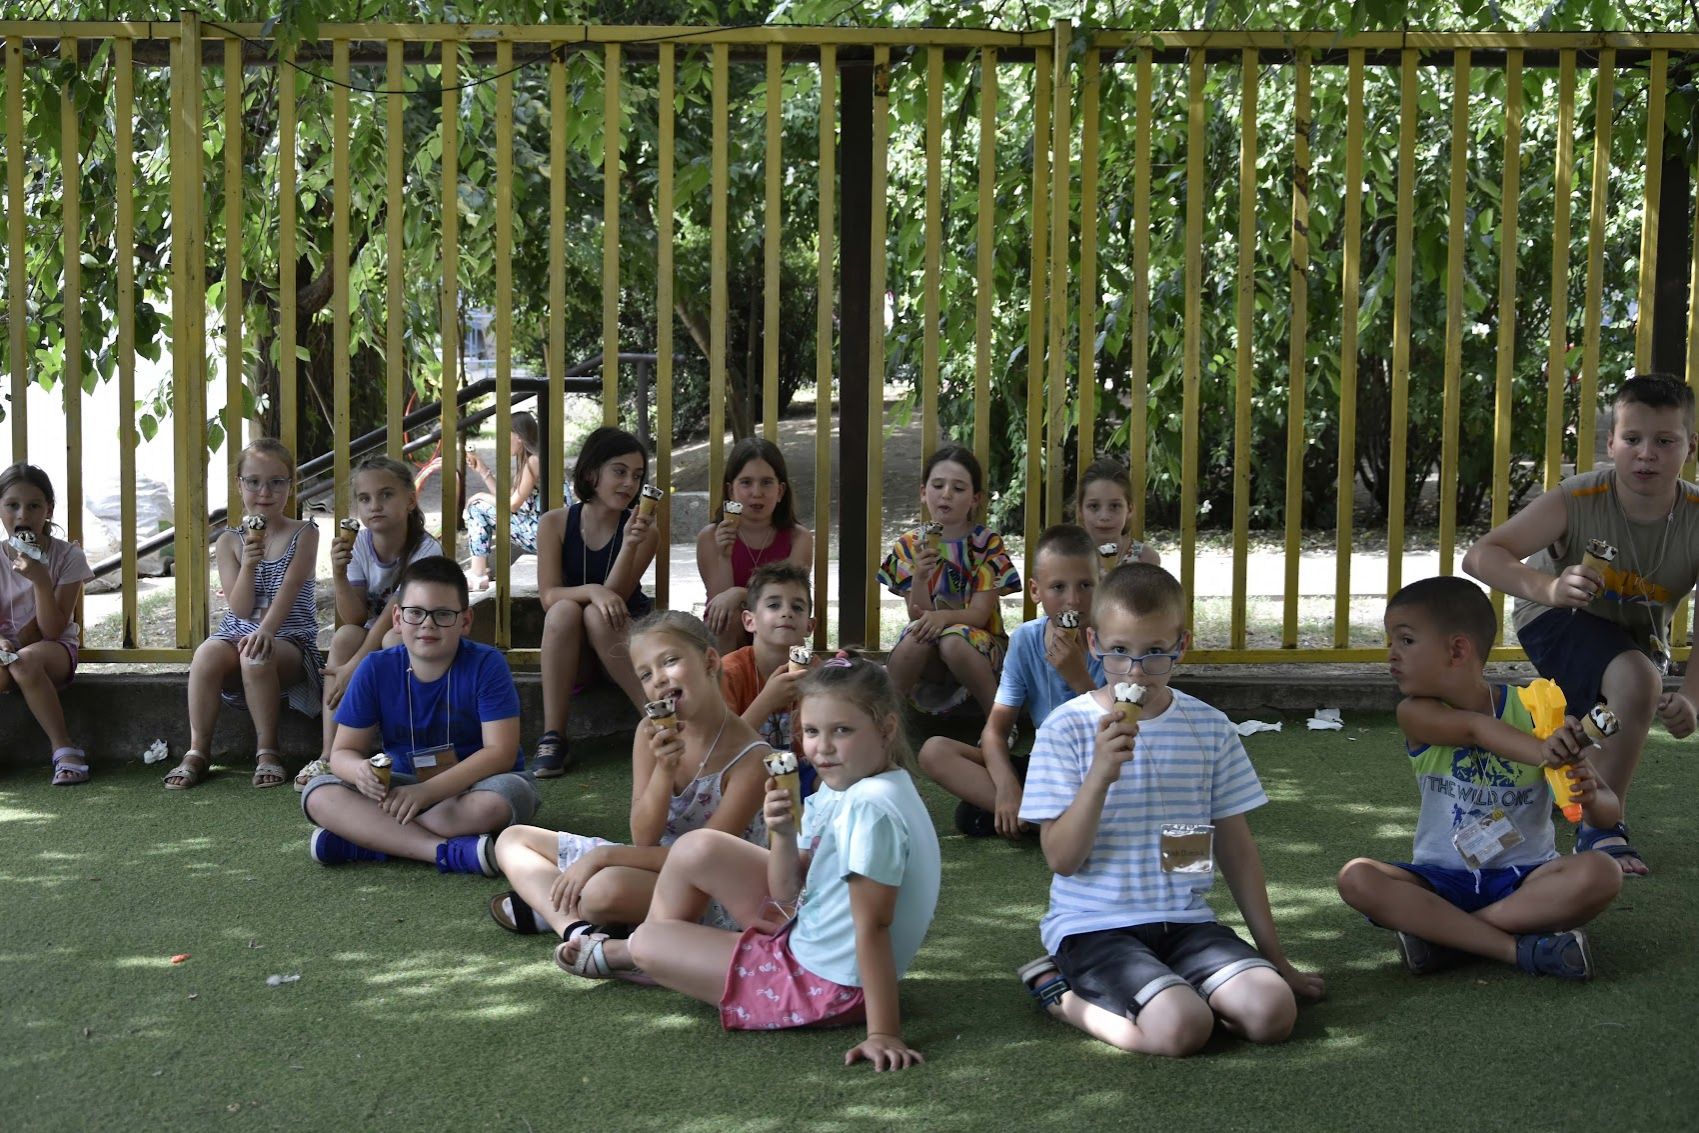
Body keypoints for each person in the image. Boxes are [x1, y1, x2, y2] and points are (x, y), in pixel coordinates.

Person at [561, 655, 941, 1072]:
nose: (823, 747)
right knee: (696, 847)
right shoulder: (848, 784)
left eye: (842, 730)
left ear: (886, 729)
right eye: (811, 731)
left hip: (826, 985)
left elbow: (874, 925)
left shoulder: (870, 807)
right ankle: (664, 959)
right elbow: (786, 892)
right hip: (805, 937)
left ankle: (637, 955)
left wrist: (883, 1032)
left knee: (650, 941)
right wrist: (782, 833)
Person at [1016, 562, 1323, 1057]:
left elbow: (1237, 850)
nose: (1136, 671)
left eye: (1155, 652)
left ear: (1181, 645)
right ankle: (1058, 993)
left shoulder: (1210, 727)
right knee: (1182, 1028)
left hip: (1186, 920)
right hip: (1093, 926)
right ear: (1093, 642)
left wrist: (1277, 959)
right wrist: (1100, 775)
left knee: (1273, 1013)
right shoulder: (1065, 728)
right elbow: (1061, 859)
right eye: (1119, 652)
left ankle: (1184, 990)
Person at [1463, 373, 1699, 877]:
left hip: (1631, 638)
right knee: (1636, 681)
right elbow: (1481, 555)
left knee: (1599, 721)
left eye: (1665, 441)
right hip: (1556, 617)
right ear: (1611, 443)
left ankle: (1551, 773)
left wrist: (1694, 699)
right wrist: (1550, 588)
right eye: (1632, 438)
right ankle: (1601, 826)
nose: (1646, 454)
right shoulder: (1578, 496)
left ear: (1691, 447)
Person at [1336, 577, 1624, 980]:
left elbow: (1610, 814)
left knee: (1602, 872)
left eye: (1406, 640)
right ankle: (1513, 949)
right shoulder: (1415, 713)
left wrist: (1589, 796)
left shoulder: (1537, 712)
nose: (1391, 654)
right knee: (1356, 877)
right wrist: (1544, 750)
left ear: (1457, 649)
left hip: (1526, 878)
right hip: (1439, 880)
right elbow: (1474, 729)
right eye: (1392, 642)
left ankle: (1446, 939)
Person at [489, 611, 768, 950]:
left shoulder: (752, 759)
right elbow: (644, 837)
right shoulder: (649, 732)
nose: (659, 679)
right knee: (513, 839)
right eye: (646, 674)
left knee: (603, 890)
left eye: (670, 661)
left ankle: (556, 904)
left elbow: (705, 860)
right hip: (652, 863)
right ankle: (576, 929)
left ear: (710, 661)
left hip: (712, 890)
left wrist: (603, 857)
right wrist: (664, 770)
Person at [299, 555, 539, 874]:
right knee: (318, 795)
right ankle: (440, 851)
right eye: (415, 613)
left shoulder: (487, 664)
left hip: (472, 786)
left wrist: (426, 792)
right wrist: (360, 772)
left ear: (466, 621)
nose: (428, 624)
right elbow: (343, 753)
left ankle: (368, 839)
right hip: (400, 787)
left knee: (503, 799)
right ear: (397, 619)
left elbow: (501, 753)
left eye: (443, 614)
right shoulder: (375, 668)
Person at [919, 524, 1105, 838]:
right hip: (1045, 766)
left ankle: (1042, 822)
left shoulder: (1114, 642)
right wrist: (1006, 786)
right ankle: (1046, 821)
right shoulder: (1026, 640)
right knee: (935, 751)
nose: (1073, 600)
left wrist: (1079, 680)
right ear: (1035, 591)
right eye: (1058, 587)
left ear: (1101, 585)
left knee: (974, 816)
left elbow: (1123, 733)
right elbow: (995, 731)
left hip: (1098, 768)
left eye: (1086, 585)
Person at [171, 439, 322, 790]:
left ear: (290, 485)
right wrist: (250, 564)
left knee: (256, 654)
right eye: (253, 482)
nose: (264, 492)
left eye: (276, 482)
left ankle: (267, 750)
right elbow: (239, 608)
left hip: (287, 639)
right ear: (239, 484)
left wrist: (265, 630)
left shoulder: (305, 533)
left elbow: (289, 590)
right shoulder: (229, 541)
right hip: (235, 632)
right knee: (206, 654)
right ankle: (198, 751)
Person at [297, 456, 443, 789]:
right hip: (375, 632)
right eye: (364, 499)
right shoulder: (360, 543)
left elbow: (396, 615)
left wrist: (354, 667)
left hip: (418, 635)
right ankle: (330, 753)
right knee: (345, 636)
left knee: (394, 641)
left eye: (386, 495)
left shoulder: (426, 550)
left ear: (410, 500)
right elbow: (355, 617)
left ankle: (401, 750)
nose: (374, 505)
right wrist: (338, 574)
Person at [532, 427, 660, 775]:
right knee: (563, 610)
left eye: (637, 476)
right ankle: (553, 736)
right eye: (619, 471)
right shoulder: (554, 523)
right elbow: (548, 596)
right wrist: (592, 590)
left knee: (596, 615)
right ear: (591, 474)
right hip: (575, 657)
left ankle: (659, 719)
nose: (629, 483)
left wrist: (630, 545)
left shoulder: (644, 531)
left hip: (620, 644)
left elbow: (616, 598)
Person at [879, 444, 1020, 715]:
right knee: (915, 637)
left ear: (975, 498)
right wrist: (919, 578)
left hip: (981, 648)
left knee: (953, 640)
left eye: (958, 488)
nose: (946, 494)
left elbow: (979, 615)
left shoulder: (987, 544)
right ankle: (885, 721)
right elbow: (917, 614)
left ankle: (999, 721)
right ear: (923, 492)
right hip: (931, 649)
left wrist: (943, 618)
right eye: (938, 485)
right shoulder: (909, 545)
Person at [0, 463, 95, 784]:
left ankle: (64, 748)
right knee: (7, 668)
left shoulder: (68, 557)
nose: (22, 515)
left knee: (23, 663)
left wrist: (40, 580)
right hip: (6, 651)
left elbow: (53, 630)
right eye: (12, 505)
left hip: (52, 651)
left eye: (33, 506)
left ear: (48, 510)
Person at [696, 437, 815, 653]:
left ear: (780, 491)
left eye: (766, 482)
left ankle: (785, 675)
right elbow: (720, 604)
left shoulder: (799, 538)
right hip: (729, 632)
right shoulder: (710, 536)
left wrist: (740, 594)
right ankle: (727, 675)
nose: (757, 492)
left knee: (784, 616)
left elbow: (787, 596)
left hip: (777, 627)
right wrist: (724, 556)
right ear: (731, 491)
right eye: (746, 482)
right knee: (729, 614)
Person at [718, 562, 814, 769]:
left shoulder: (819, 674)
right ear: (749, 621)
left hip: (805, 771)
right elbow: (719, 749)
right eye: (774, 605)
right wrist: (767, 701)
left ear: (809, 626)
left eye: (797, 607)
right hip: (743, 772)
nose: (787, 612)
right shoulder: (728, 673)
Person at [463, 410, 546, 592]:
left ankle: (478, 574)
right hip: (543, 531)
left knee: (477, 507)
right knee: (480, 506)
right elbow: (509, 499)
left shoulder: (534, 461)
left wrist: (480, 496)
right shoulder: (533, 459)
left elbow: (512, 505)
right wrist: (483, 470)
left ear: (519, 436)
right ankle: (479, 572)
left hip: (544, 535)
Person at [1075, 457, 1160, 567]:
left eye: (1114, 506)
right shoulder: (1067, 557)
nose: (1104, 516)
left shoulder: (1145, 559)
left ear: (1129, 509)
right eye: (1094, 506)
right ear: (1080, 510)